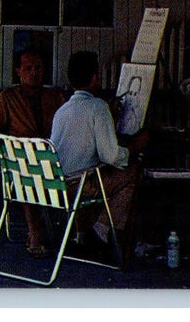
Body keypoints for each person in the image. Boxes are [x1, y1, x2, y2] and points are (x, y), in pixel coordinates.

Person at [50, 50, 147, 259]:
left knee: (91, 171)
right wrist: (135, 147)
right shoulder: (98, 107)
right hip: (80, 186)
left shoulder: (63, 110)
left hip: (58, 185)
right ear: (95, 78)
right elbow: (111, 156)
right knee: (132, 174)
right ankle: (100, 230)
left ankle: (82, 235)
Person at [0, 47, 67, 257]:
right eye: (28, 68)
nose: (34, 72)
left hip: (53, 158)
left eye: (38, 68)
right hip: (21, 161)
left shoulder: (55, 96)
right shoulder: (7, 97)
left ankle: (77, 233)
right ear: (18, 71)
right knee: (28, 174)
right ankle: (35, 232)